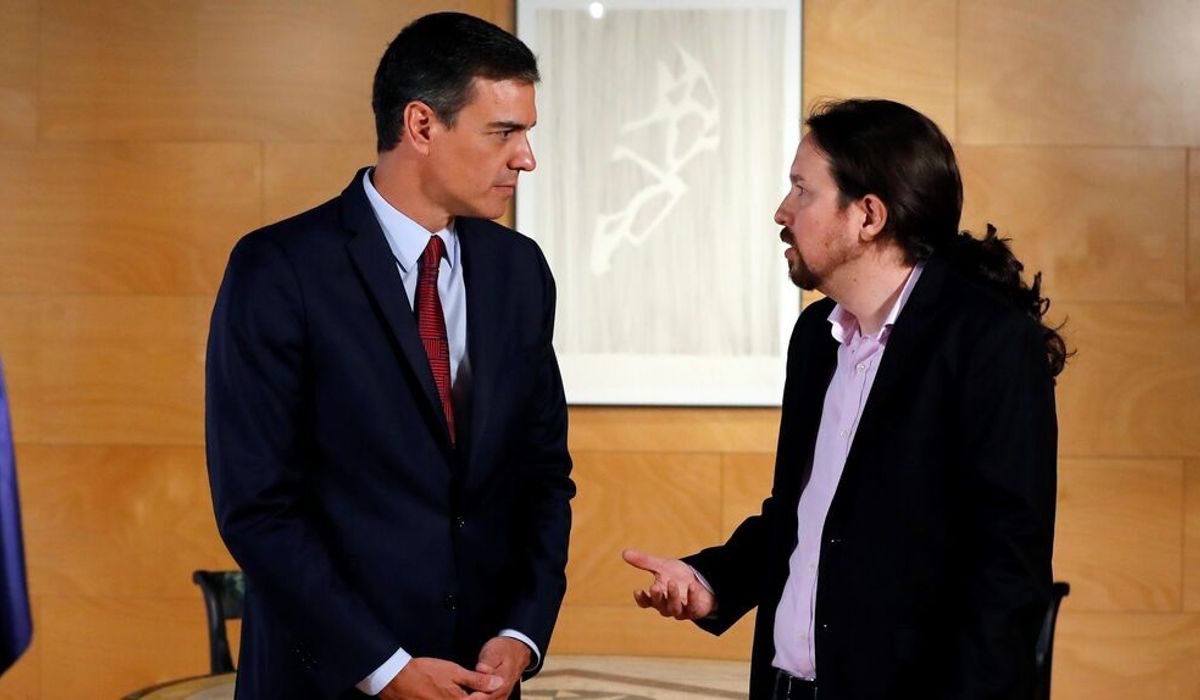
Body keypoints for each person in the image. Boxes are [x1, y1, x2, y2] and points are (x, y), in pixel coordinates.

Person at [623, 99, 1065, 700]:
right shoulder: (816, 337)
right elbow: (807, 516)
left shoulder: (988, 343)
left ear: (869, 216)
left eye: (802, 191)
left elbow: (1006, 570)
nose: (782, 212)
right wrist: (712, 579)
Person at [205, 12, 574, 699]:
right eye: (504, 132)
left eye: (526, 133)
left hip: (480, 683)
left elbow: (544, 477)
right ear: (422, 125)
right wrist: (383, 667)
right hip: (325, 684)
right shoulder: (279, 269)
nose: (526, 158)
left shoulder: (521, 271)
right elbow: (258, 507)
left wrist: (520, 633)